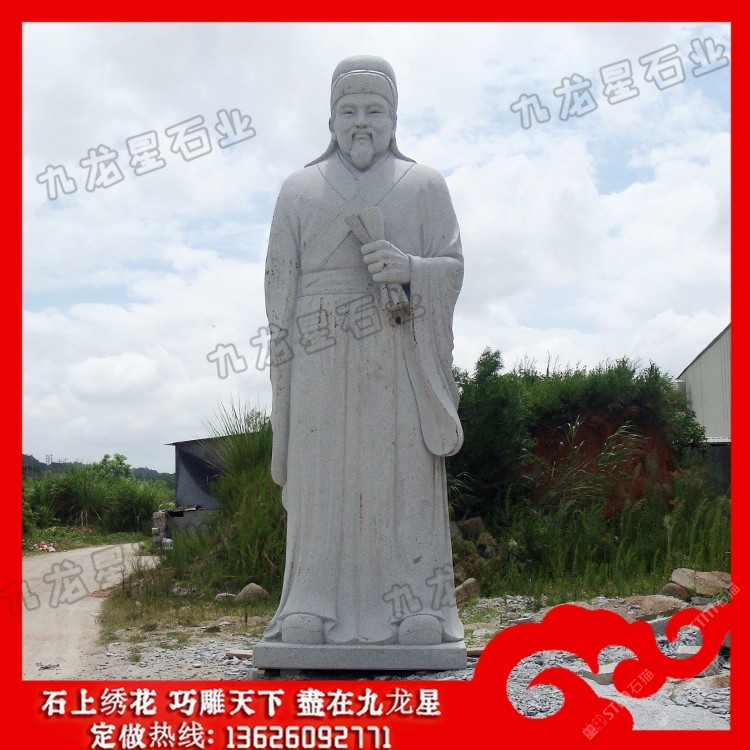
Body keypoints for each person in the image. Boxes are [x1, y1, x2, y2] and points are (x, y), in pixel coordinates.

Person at [263, 55, 465, 648]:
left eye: (374, 111)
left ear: (394, 119)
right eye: (348, 110)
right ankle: (309, 601)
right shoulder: (299, 188)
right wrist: (284, 356)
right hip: (319, 345)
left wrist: (411, 269)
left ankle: (415, 607)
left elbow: (452, 267)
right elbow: (278, 279)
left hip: (397, 341)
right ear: (330, 120)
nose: (360, 123)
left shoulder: (424, 185)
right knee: (320, 472)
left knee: (401, 471)